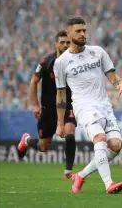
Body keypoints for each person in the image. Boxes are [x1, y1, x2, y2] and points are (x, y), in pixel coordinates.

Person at [54, 17, 122, 194]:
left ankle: (80, 175)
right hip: (83, 107)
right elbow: (61, 95)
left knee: (116, 145)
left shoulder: (98, 52)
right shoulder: (61, 62)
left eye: (84, 31)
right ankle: (108, 183)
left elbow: (112, 76)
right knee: (99, 139)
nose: (82, 34)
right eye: (78, 31)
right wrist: (59, 123)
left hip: (104, 105)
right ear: (69, 33)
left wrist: (120, 83)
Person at [17, 31, 77, 179]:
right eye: (62, 42)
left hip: (68, 105)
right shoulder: (46, 62)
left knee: (70, 132)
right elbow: (33, 81)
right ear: (56, 44)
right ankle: (27, 140)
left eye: (68, 42)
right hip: (49, 109)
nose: (65, 45)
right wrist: (36, 105)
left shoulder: (76, 61)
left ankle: (68, 171)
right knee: (43, 147)